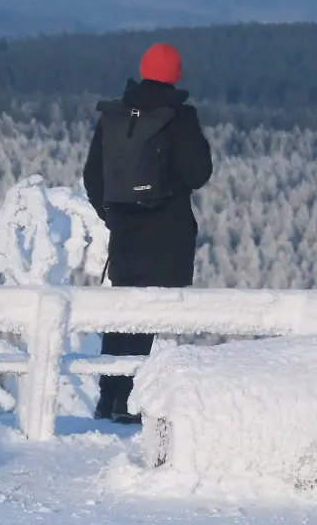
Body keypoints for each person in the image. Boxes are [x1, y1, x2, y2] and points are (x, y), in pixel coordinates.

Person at [83, 43, 213, 424]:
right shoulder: (179, 117)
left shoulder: (115, 116)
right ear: (176, 75)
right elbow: (198, 173)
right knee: (151, 314)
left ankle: (110, 398)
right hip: (168, 232)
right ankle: (131, 402)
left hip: (125, 232)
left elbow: (94, 177)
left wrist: (113, 217)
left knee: (122, 311)